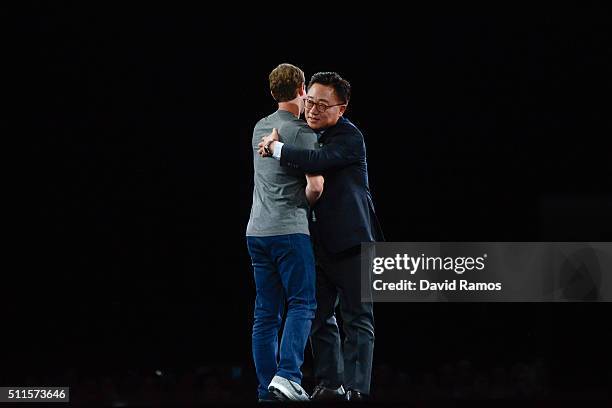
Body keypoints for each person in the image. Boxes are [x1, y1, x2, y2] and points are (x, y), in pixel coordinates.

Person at [259, 72, 384, 401]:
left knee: (357, 318)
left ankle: (356, 389)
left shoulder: (348, 137)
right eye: (309, 101)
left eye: (322, 105)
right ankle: (331, 383)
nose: (312, 110)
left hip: (353, 242)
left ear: (341, 109)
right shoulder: (305, 133)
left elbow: (319, 161)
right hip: (316, 243)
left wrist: (275, 148)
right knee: (317, 314)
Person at [246, 63, 324, 402]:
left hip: (256, 232)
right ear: (302, 88)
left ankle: (267, 391)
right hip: (289, 230)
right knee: (303, 303)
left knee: (265, 314)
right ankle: (288, 375)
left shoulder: (259, 127)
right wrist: (307, 206)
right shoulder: (301, 131)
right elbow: (316, 187)